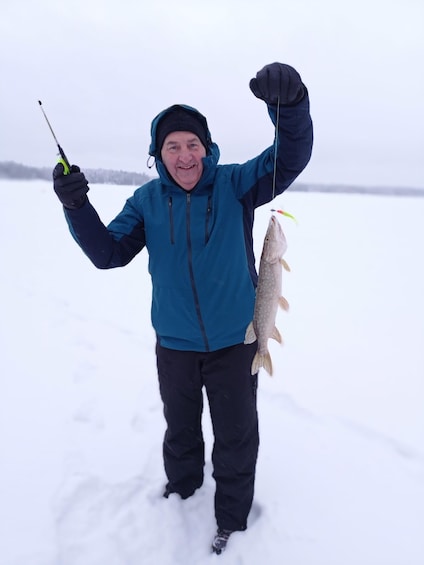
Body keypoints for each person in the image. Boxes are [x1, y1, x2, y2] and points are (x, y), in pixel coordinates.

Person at [52, 62, 313, 554]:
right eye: (173, 146)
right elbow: (107, 253)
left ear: (207, 149)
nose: (185, 154)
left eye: (193, 144)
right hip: (173, 344)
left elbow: (291, 155)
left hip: (239, 342)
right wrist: (75, 206)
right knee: (181, 430)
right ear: (159, 155)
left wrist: (291, 106)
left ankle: (231, 521)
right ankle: (181, 492)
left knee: (236, 437)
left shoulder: (236, 186)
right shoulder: (147, 202)